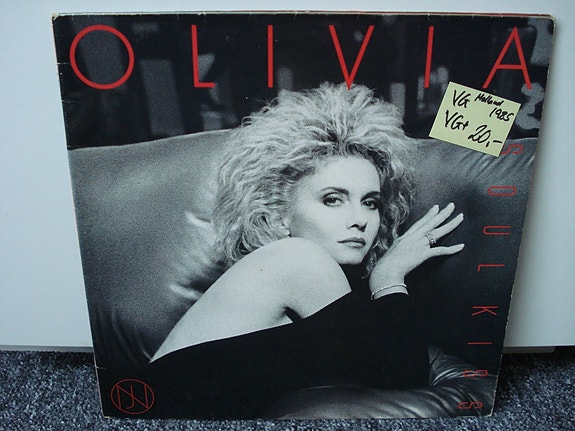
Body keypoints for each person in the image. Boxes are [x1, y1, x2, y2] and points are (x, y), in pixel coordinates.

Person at [147, 82, 464, 419]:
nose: (359, 219)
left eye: (370, 202)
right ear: (279, 215)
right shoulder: (298, 259)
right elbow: (404, 375)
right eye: (333, 199)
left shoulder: (302, 282)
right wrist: (389, 275)